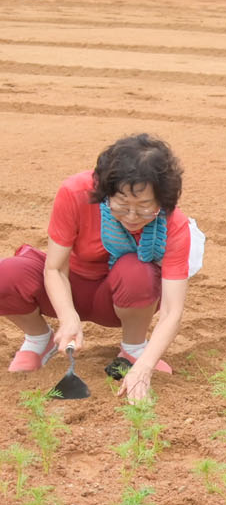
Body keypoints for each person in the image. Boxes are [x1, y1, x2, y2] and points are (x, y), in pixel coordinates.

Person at [0, 134, 195, 401]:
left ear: (163, 201)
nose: (131, 217)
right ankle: (38, 339)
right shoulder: (76, 192)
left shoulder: (174, 224)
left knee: (137, 271)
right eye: (122, 205)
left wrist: (144, 367)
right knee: (6, 275)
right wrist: (68, 317)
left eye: (144, 208)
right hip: (70, 286)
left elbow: (173, 310)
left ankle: (134, 349)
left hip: (119, 298)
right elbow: (54, 269)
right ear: (106, 192)